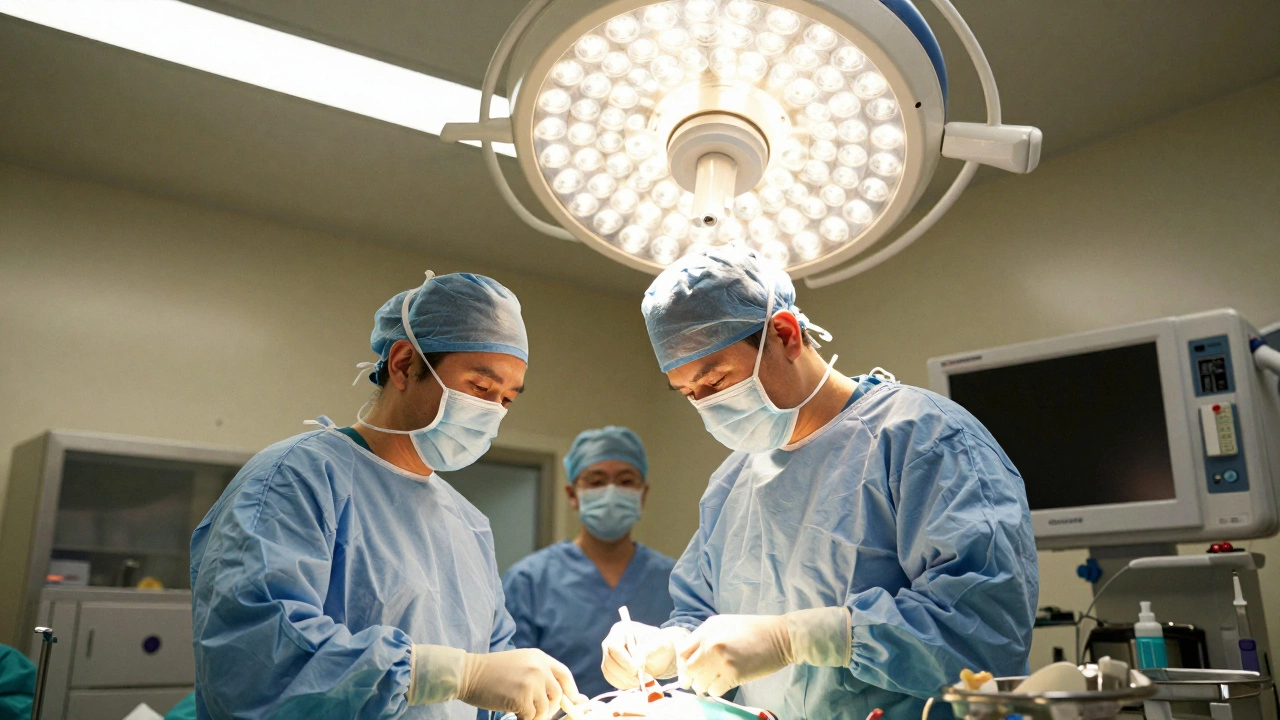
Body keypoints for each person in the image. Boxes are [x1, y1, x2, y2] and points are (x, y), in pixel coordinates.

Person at [599, 246, 1039, 720]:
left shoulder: (925, 439)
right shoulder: (733, 483)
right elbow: (701, 612)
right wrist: (671, 644)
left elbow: (984, 632)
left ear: (785, 334)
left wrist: (801, 638)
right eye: (688, 393)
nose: (704, 405)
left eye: (716, 381)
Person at [190, 271, 584, 720]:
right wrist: (454, 675)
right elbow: (254, 664)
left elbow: (492, 678)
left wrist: (537, 706)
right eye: (480, 388)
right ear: (402, 365)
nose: (492, 412)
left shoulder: (469, 525)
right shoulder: (295, 480)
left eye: (507, 399)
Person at [502, 427, 675, 698]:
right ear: (572, 494)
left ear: (643, 494)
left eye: (626, 481)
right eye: (595, 481)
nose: (611, 491)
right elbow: (510, 684)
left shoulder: (675, 580)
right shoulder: (529, 582)